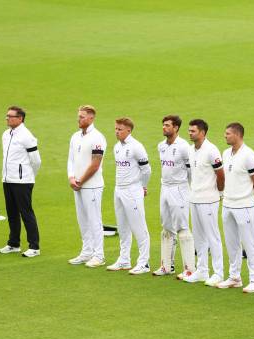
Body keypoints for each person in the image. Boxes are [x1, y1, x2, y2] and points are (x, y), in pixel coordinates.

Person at [216, 122, 254, 293]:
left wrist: (253, 195)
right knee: (231, 242)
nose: (225, 136)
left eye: (228, 133)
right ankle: (234, 277)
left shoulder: (249, 155)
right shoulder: (226, 153)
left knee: (249, 242)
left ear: (237, 135)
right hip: (228, 204)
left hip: (244, 205)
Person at [183, 119, 225, 286]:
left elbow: (220, 175)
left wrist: (220, 193)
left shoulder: (212, 150)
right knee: (199, 236)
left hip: (209, 199)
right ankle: (202, 270)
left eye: (193, 131)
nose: (190, 133)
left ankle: (218, 272)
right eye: (189, 130)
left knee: (212, 236)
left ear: (202, 132)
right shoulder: (191, 150)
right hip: (194, 198)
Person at [107, 117, 152, 274]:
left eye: (120, 129)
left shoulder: (136, 147)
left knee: (138, 226)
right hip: (119, 189)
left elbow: (147, 170)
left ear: (129, 130)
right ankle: (124, 260)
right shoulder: (116, 147)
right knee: (123, 226)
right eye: (116, 129)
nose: (117, 132)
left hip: (132, 190)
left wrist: (143, 186)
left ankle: (144, 263)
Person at [0, 106, 41, 258]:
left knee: (26, 213)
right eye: (7, 116)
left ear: (20, 118)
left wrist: (28, 176)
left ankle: (34, 246)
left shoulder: (26, 136)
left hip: (22, 181)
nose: (7, 118)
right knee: (12, 213)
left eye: (11, 116)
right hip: (8, 179)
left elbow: (36, 161)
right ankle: (13, 243)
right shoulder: (6, 134)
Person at [155, 115, 195, 279]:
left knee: (183, 228)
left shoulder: (184, 147)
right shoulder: (161, 146)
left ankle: (190, 269)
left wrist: (190, 190)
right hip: (165, 187)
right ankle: (166, 265)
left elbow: (191, 170)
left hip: (180, 189)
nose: (164, 128)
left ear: (176, 127)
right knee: (166, 227)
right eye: (163, 125)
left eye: (168, 125)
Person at [67, 105, 107, 268]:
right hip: (77, 184)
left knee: (94, 220)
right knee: (82, 220)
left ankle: (99, 255)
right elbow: (71, 159)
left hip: (92, 186)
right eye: (79, 116)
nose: (79, 119)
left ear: (91, 118)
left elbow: (95, 164)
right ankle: (87, 252)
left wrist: (81, 181)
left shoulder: (97, 138)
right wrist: (71, 177)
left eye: (82, 116)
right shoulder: (75, 136)